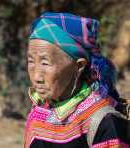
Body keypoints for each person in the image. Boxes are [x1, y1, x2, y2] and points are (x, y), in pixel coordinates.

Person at [24, 12, 130, 148]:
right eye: (31, 61)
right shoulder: (39, 113)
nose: (37, 77)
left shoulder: (103, 121)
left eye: (45, 63)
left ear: (79, 65)